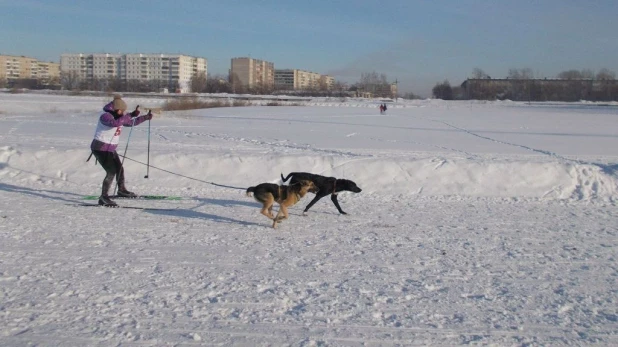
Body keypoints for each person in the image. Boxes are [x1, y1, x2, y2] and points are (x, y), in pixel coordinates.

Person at [90, 95, 153, 207]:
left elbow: (130, 123)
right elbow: (115, 123)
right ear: (116, 109)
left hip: (110, 148)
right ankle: (103, 197)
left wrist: (145, 117)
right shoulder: (105, 116)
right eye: (122, 110)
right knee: (111, 171)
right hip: (100, 148)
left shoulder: (118, 116)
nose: (123, 112)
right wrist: (130, 115)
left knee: (119, 169)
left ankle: (122, 190)